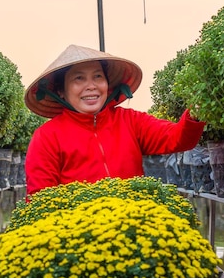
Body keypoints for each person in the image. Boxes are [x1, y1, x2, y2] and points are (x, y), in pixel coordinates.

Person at [24, 44, 205, 194]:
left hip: (132, 225)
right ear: (61, 92)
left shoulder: (130, 121)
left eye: (98, 76)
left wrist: (196, 111)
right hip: (78, 232)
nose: (91, 86)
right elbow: (40, 198)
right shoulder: (47, 137)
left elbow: (177, 137)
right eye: (79, 78)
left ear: (108, 85)